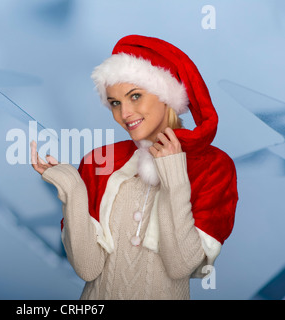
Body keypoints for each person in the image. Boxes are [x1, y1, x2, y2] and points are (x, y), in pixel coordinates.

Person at [30, 35, 238, 300]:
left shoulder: (214, 168)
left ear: (167, 96)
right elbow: (87, 268)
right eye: (115, 102)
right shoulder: (100, 161)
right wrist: (72, 189)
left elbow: (180, 266)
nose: (124, 114)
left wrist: (173, 173)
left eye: (135, 96)